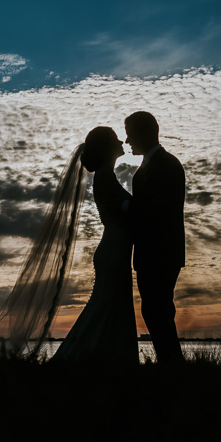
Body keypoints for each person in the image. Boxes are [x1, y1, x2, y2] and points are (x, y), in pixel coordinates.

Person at [52, 126, 138, 363]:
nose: (122, 142)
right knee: (107, 304)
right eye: (116, 140)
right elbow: (121, 216)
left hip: (115, 249)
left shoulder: (106, 176)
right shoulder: (105, 176)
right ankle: (85, 357)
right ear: (108, 148)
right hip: (113, 250)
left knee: (111, 303)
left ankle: (105, 357)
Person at [123, 111, 185, 363]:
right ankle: (170, 363)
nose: (127, 141)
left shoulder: (165, 164)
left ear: (145, 132)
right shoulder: (158, 164)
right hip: (158, 252)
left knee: (156, 311)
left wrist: (123, 206)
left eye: (130, 134)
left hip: (159, 253)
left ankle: (172, 364)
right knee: (157, 311)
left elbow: (157, 210)